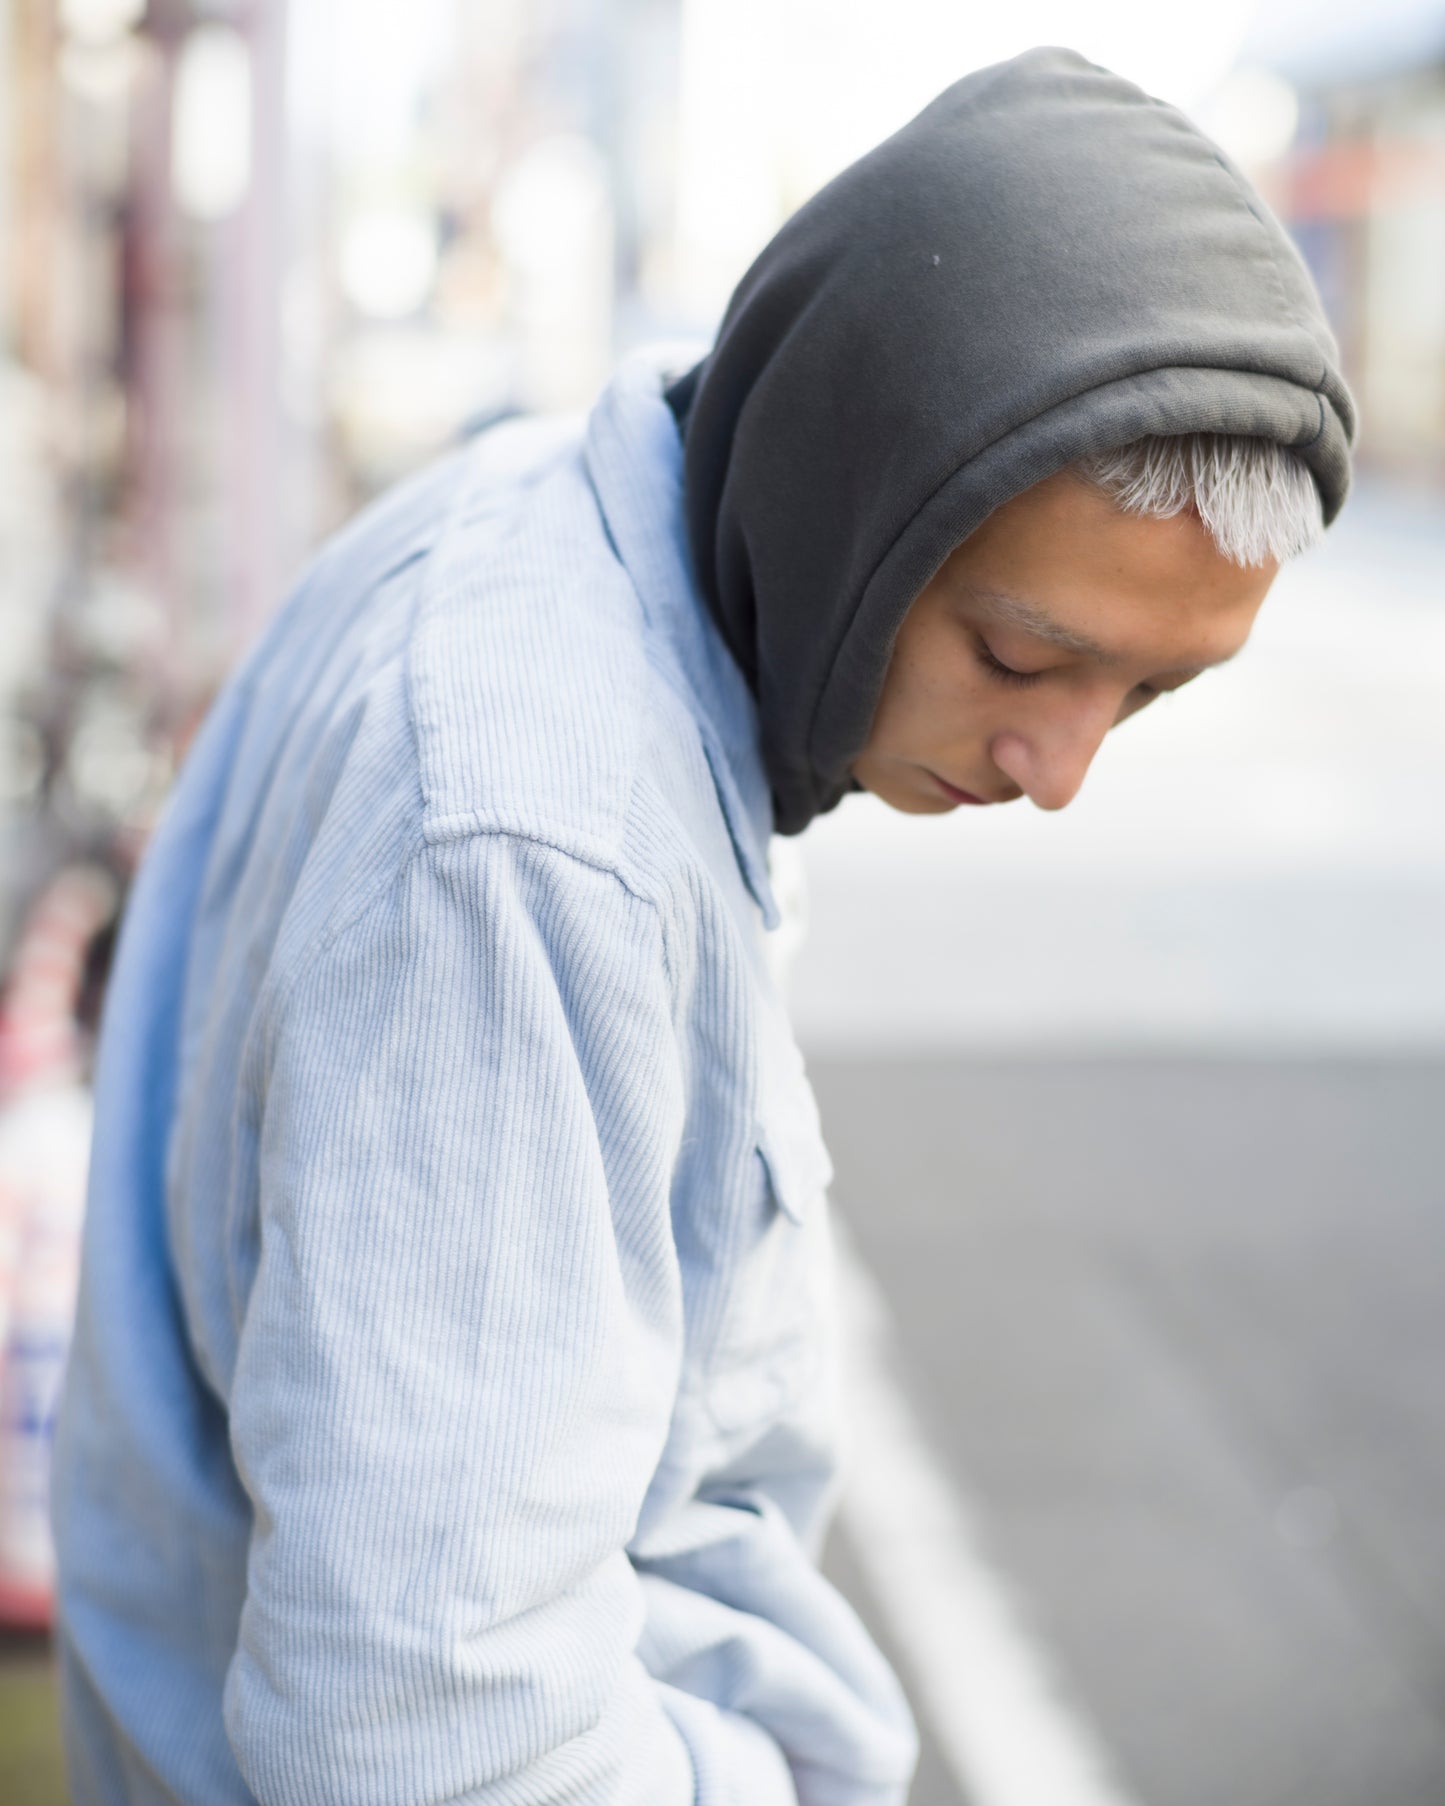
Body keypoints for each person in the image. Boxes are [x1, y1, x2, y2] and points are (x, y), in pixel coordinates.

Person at [52, 45, 1353, 1806]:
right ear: (852, 498)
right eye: (1022, 658)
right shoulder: (531, 838)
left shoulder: (577, 524)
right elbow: (433, 1734)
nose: (1060, 769)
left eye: (1151, 694)